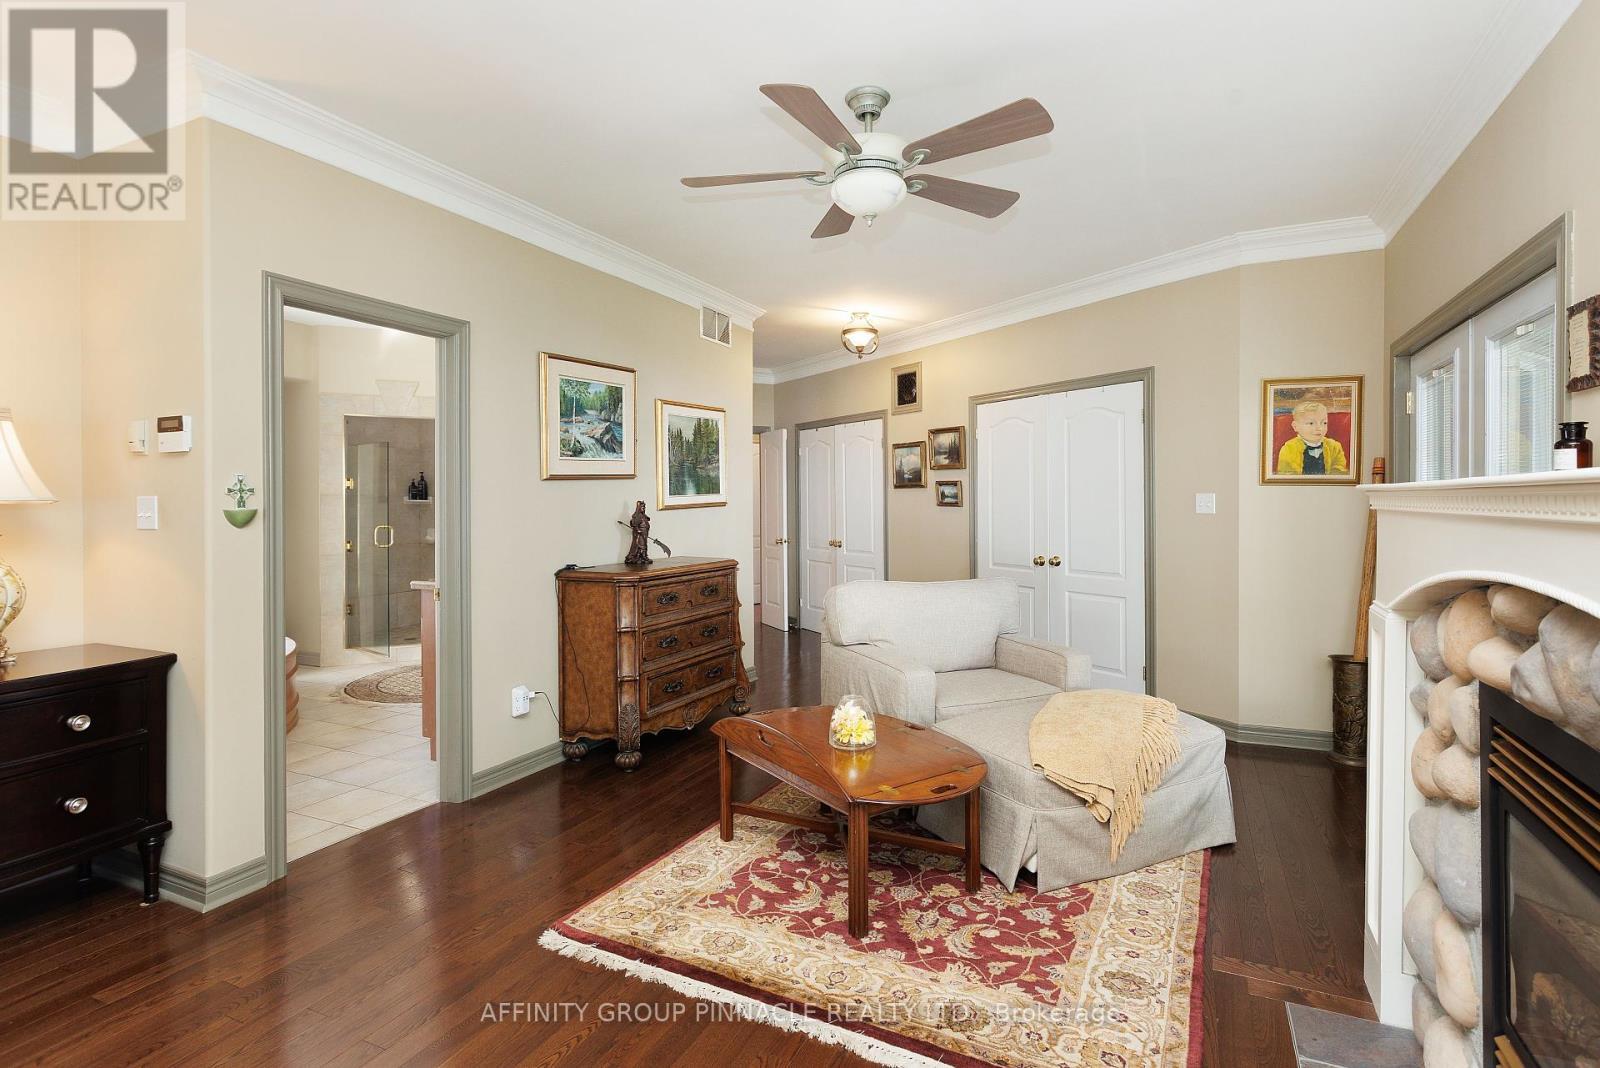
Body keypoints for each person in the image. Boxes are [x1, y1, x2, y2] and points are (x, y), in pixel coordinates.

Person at [1276, 400, 1347, 475]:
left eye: (1324, 423)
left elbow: (1340, 471)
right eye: (1311, 423)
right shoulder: (1288, 449)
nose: (1319, 428)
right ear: (1295, 426)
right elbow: (1285, 476)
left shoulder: (1334, 447)